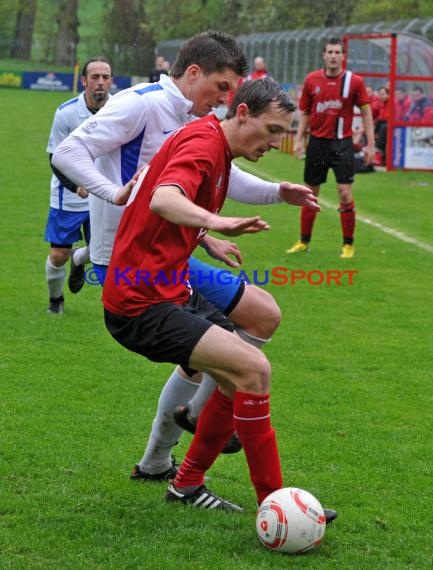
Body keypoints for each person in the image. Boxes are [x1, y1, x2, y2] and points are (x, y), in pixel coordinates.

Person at [53, 31, 320, 482]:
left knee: (257, 317)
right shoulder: (143, 104)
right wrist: (114, 194)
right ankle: (192, 435)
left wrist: (258, 201)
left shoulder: (199, 126)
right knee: (227, 355)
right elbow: (70, 153)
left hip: (168, 253)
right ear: (194, 73)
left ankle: (187, 434)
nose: (225, 97)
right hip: (131, 263)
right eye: (222, 86)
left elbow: (214, 176)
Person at [102, 78, 337, 522]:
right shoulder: (204, 145)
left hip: (170, 283)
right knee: (252, 368)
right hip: (140, 301)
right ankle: (277, 503)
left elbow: (185, 194)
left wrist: (207, 234)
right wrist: (215, 222)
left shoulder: (217, 146)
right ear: (243, 114)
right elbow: (164, 198)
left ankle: (188, 478)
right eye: (272, 131)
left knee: (259, 322)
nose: (275, 142)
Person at [286, 38, 375, 259]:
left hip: (342, 144)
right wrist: (298, 139)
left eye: (337, 52)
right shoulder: (311, 80)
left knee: (344, 194)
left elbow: (366, 113)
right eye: (330, 52)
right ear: (324, 55)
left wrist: (371, 144)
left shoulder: (354, 82)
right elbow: (305, 112)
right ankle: (304, 241)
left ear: (343, 56)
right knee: (310, 193)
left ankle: (348, 244)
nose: (334, 56)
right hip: (317, 143)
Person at [44, 56, 113, 314]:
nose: (100, 83)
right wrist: (76, 186)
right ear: (84, 81)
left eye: (105, 77)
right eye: (95, 77)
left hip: (106, 194)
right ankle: (56, 301)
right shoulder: (66, 113)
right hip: (69, 196)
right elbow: (55, 157)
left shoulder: (121, 108)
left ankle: (79, 258)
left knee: (104, 254)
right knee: (58, 255)